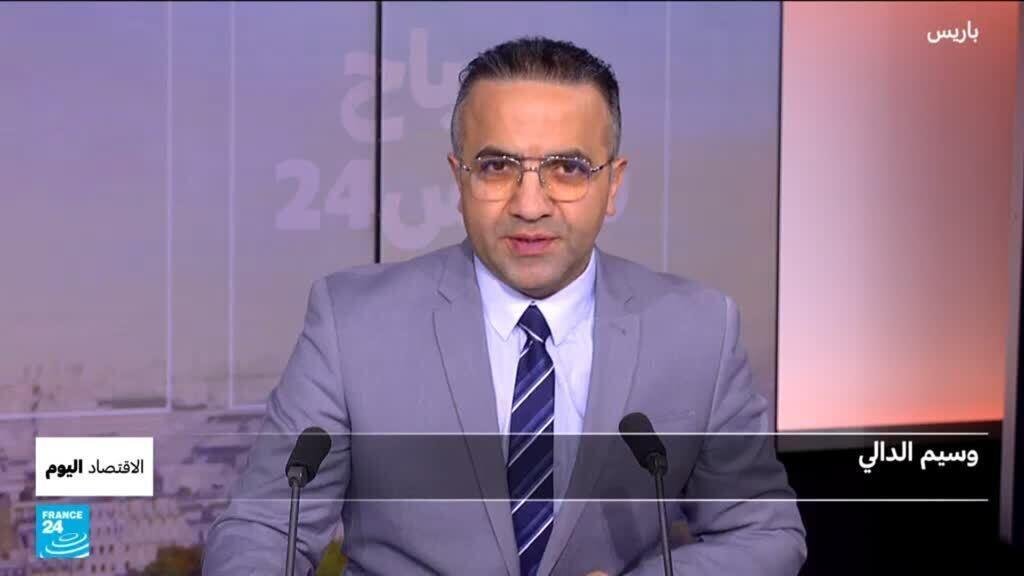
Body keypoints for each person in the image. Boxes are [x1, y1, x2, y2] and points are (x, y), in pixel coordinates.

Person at [203, 36, 806, 576]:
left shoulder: (699, 331)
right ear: (459, 178)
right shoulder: (351, 324)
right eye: (497, 166)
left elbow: (765, 533)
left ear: (613, 183)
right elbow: (261, 530)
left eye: (568, 168)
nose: (530, 204)